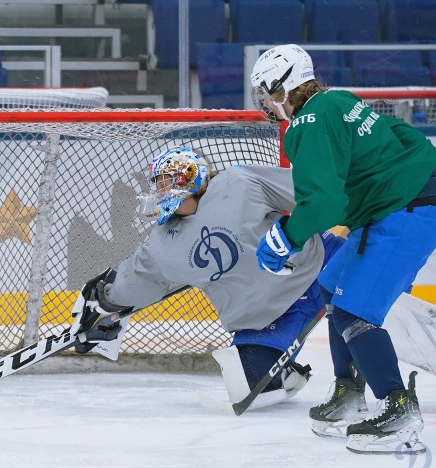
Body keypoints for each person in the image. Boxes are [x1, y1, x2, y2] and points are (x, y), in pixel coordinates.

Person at [250, 44, 436, 455]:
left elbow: (324, 201)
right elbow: (399, 140)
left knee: (355, 310)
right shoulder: (339, 100)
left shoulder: (307, 124)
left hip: (407, 210)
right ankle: (350, 392)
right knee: (331, 288)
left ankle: (398, 406)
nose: (265, 102)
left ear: (280, 88)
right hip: (400, 203)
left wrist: (285, 236)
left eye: (265, 92)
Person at [69, 146, 344, 411]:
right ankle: (286, 374)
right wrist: (104, 301)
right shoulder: (161, 245)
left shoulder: (238, 182)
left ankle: (357, 383)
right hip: (266, 318)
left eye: (165, 182)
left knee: (361, 314)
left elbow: (309, 192)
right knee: (248, 385)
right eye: (157, 185)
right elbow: (134, 283)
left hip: (318, 267)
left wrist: (357, 211)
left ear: (187, 178)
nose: (158, 191)